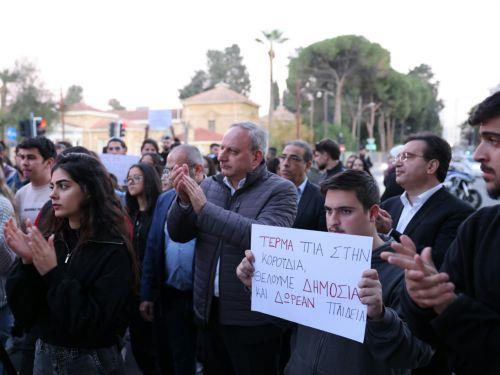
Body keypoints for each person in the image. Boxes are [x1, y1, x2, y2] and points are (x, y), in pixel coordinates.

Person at [236, 170, 433, 374]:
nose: (333, 221)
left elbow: (416, 354)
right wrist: (259, 285)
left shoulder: (402, 271)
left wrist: (380, 316)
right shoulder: (314, 257)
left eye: (345, 211)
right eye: (328, 210)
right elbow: (288, 322)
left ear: (373, 213)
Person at [381, 91, 500, 373]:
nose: (477, 154)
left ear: (432, 166)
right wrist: (421, 295)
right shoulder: (480, 227)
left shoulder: (459, 214)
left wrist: (448, 304)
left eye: (494, 141)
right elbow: (432, 327)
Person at [167, 122, 297, 375]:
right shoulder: (208, 186)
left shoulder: (281, 190)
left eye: (233, 151)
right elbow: (178, 234)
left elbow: (262, 237)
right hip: (209, 312)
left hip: (253, 319)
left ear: (257, 157)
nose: (221, 156)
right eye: (221, 148)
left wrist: (204, 209)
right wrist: (182, 201)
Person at [5, 153, 136, 374]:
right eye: (52, 186)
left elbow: (91, 323)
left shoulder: (112, 248)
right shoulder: (54, 238)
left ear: (88, 190)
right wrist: (27, 263)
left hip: (91, 361)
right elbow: (25, 313)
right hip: (45, 354)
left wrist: (52, 272)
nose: (53, 195)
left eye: (63, 186)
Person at [141, 145, 205, 375]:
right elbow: (152, 247)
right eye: (166, 171)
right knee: (170, 356)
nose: (168, 177)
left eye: (174, 170)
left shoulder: (213, 199)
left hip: (203, 298)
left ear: (197, 170)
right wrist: (147, 293)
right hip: (169, 294)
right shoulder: (164, 199)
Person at [376, 133, 473, 269]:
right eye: (398, 157)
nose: (397, 163)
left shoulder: (460, 213)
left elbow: (438, 263)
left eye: (407, 157)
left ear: (431, 166)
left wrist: (389, 233)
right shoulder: (388, 205)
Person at [125, 163, 162, 375]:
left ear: (149, 181)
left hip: (153, 290)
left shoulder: (158, 212)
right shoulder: (131, 214)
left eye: (136, 178)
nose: (130, 181)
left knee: (153, 348)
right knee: (139, 345)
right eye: (129, 178)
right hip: (133, 289)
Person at [279, 140, 326, 231]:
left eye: (294, 159)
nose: (285, 163)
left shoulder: (320, 197)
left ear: (308, 165)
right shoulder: (268, 192)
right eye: (283, 157)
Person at [15, 137, 56, 231]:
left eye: (31, 157)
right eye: (22, 157)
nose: (24, 163)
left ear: (49, 162)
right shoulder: (20, 194)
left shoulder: (59, 191)